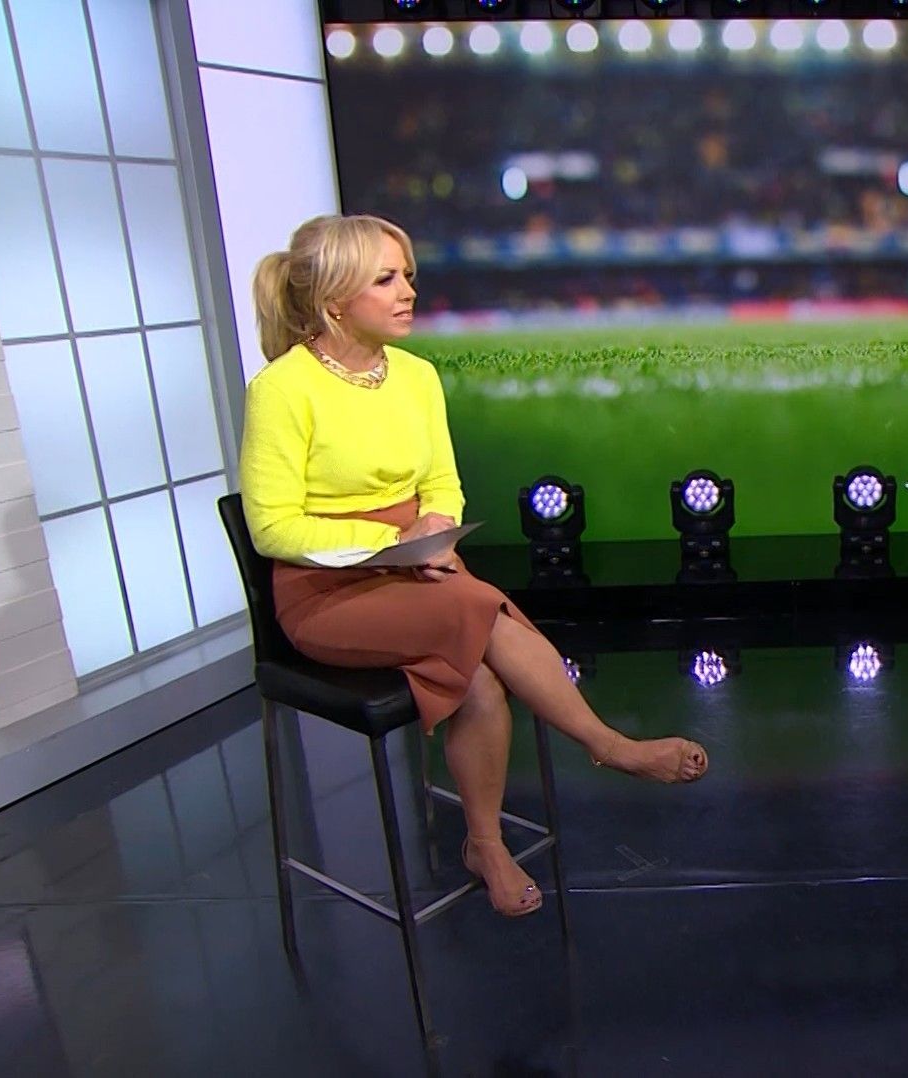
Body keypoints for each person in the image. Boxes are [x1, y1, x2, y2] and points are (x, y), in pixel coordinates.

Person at [238, 214, 709, 918]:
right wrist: (388, 541)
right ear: (334, 300)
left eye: (408, 276)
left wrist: (435, 531)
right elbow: (272, 527)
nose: (408, 292)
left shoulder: (416, 376)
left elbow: (442, 482)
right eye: (386, 279)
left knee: (482, 679)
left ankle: (484, 845)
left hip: (416, 572)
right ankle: (609, 746)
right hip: (326, 592)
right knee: (477, 608)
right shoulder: (283, 389)